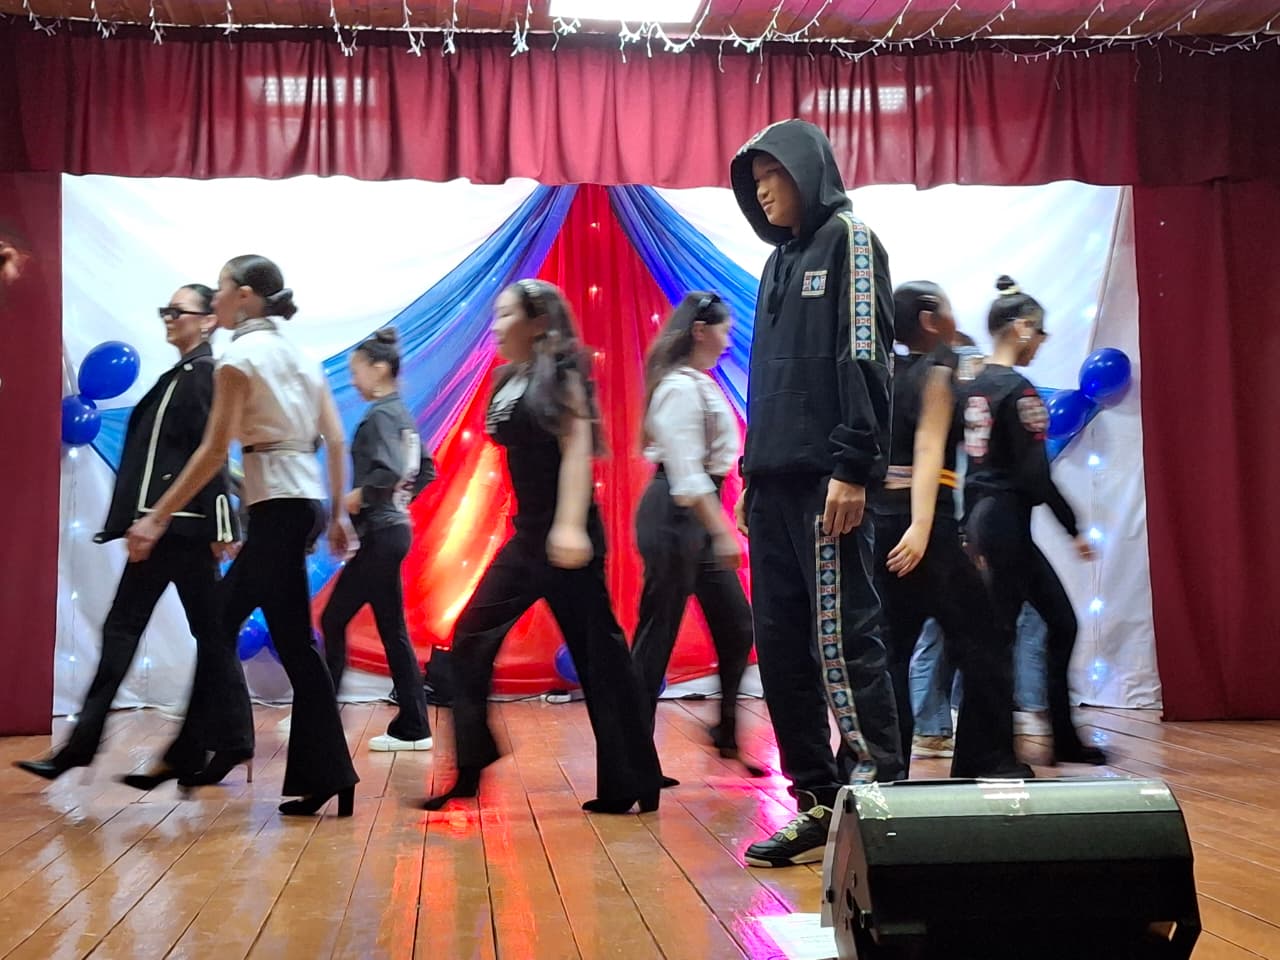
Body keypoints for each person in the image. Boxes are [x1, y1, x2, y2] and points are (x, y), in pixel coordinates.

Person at [126, 255, 361, 817]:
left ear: (247, 296)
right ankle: (327, 774)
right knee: (293, 644)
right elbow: (335, 440)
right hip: (301, 504)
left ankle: (191, 751)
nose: (216, 300)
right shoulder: (301, 358)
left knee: (221, 623)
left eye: (223, 289)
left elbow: (213, 452)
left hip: (276, 507)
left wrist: (158, 515)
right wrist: (335, 514)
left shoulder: (238, 357)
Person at [729, 119, 903, 869]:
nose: (764, 191)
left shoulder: (850, 241)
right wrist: (750, 472)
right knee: (779, 650)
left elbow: (864, 354)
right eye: (755, 181)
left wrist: (853, 465)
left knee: (842, 640)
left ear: (807, 170)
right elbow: (764, 379)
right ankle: (818, 800)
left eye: (774, 175)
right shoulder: (776, 264)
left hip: (827, 483)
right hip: (773, 485)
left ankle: (876, 799)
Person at [423, 279, 662, 815]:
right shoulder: (508, 378)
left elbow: (577, 451)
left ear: (537, 322)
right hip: (528, 535)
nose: (495, 326)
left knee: (600, 659)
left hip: (567, 538)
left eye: (506, 315)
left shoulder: (564, 373)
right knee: (470, 634)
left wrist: (571, 526)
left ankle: (633, 781)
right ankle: (471, 762)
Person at [15, 285, 254, 786]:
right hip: (169, 529)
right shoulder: (184, 375)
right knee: (191, 634)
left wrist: (210, 524)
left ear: (207, 320)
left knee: (175, 633)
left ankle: (87, 748)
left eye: (178, 311)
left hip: (178, 531)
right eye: (165, 310)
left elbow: (211, 457)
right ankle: (222, 741)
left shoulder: (203, 376)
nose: (168, 317)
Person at [871, 281, 1030, 781]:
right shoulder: (938, 369)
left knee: (891, 651)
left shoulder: (886, 371)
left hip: (882, 522)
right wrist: (922, 527)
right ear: (927, 318)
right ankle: (988, 760)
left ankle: (884, 767)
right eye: (945, 306)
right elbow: (928, 448)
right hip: (923, 527)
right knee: (985, 640)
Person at [961, 275, 1106, 767]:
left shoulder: (975, 386)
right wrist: (1072, 527)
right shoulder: (1019, 392)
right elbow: (1033, 474)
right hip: (1005, 524)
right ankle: (993, 751)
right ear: (1022, 327)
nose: (1040, 343)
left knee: (1053, 624)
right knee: (1006, 635)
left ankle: (1055, 739)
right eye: (1039, 333)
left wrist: (966, 527)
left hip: (988, 521)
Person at [631, 291, 756, 776]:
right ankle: (634, 756)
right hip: (676, 513)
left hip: (693, 511)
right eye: (724, 331)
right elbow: (686, 472)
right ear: (701, 331)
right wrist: (721, 530)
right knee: (657, 636)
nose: (728, 341)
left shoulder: (698, 383)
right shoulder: (680, 388)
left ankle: (726, 728)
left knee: (736, 624)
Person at [321, 327, 436, 752]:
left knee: (334, 619)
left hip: (382, 533)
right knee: (391, 628)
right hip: (393, 530)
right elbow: (426, 469)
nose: (353, 381)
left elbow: (388, 470)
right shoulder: (400, 414)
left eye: (357, 372)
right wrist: (398, 500)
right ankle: (414, 724)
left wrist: (363, 496)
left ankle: (320, 715)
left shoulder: (380, 416)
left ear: (380, 368)